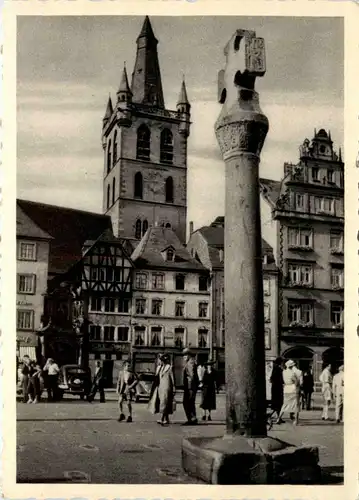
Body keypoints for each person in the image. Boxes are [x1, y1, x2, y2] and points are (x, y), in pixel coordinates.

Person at [148, 354, 176, 425]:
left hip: (167, 386)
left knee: (164, 402)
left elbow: (172, 378)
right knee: (163, 402)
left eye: (163, 360)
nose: (162, 362)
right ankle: (166, 419)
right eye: (161, 360)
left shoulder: (169, 367)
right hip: (160, 387)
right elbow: (156, 377)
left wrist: (174, 387)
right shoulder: (159, 368)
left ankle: (162, 419)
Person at [277, 359, 302, 425]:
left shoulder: (284, 372)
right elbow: (296, 382)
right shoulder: (292, 373)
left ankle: (279, 418)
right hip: (293, 389)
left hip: (286, 389)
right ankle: (296, 421)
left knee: (285, 404)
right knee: (296, 405)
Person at [182, 348, 199, 425]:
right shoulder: (190, 362)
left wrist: (190, 386)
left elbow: (192, 375)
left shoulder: (190, 363)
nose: (184, 357)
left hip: (190, 387)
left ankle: (191, 419)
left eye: (185, 355)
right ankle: (192, 418)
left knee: (187, 402)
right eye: (183, 355)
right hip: (190, 386)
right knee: (189, 403)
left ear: (188, 355)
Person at [270, 357, 284, 422]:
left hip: (274, 387)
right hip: (278, 388)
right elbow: (279, 379)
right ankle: (277, 417)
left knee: (276, 403)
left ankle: (278, 417)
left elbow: (271, 379)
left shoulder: (275, 368)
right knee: (278, 403)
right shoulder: (278, 369)